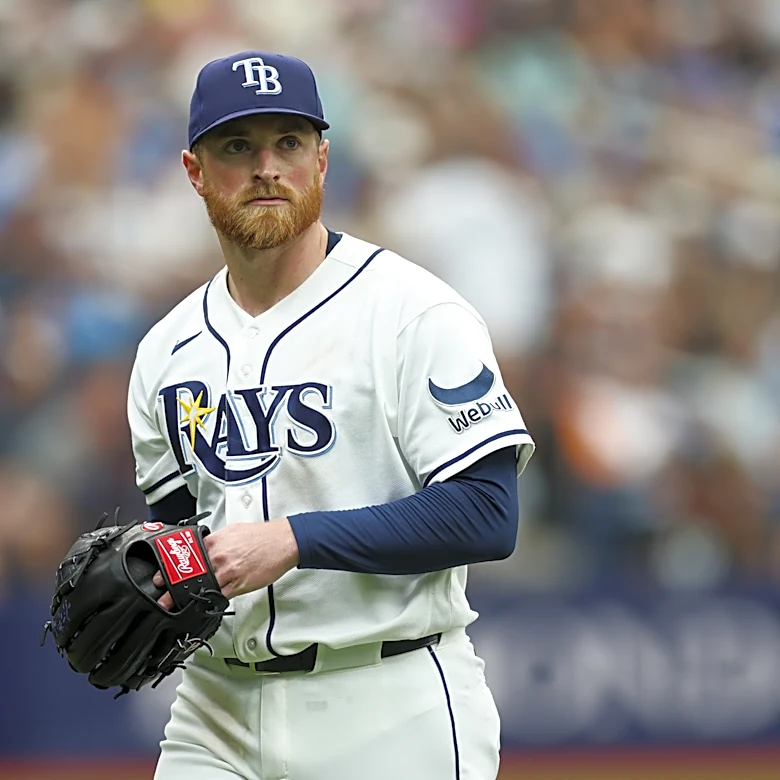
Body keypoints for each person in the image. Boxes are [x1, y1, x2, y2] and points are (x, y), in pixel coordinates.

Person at [128, 50, 535, 780]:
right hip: (215, 710)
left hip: (389, 700)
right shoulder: (167, 351)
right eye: (237, 147)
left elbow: (487, 513)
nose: (266, 167)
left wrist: (293, 539)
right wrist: (152, 576)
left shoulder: (414, 313)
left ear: (321, 159)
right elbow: (188, 532)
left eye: (287, 142)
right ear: (195, 171)